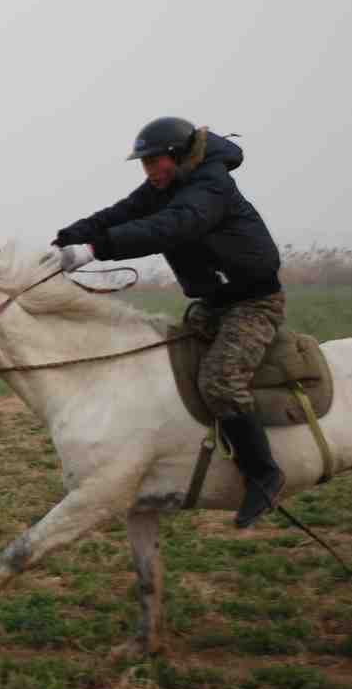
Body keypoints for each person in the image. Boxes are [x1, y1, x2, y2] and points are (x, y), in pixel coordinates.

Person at [52, 116, 286, 528]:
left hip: (254, 304)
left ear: (177, 157)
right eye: (143, 165)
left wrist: (95, 249)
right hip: (211, 306)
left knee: (219, 380)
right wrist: (65, 239)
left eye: (152, 162)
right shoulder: (165, 184)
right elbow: (120, 213)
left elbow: (174, 225)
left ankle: (264, 475)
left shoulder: (211, 186)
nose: (148, 171)